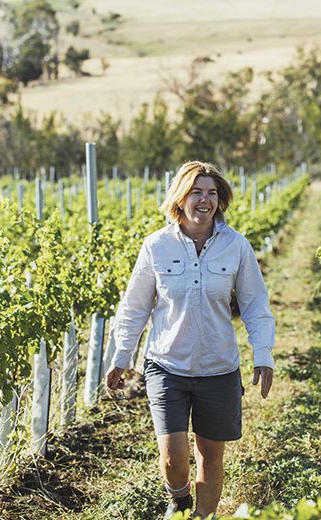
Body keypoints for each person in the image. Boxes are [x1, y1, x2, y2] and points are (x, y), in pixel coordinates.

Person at [105, 161, 276, 519]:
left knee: (211, 454)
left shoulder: (236, 246)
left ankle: (203, 517)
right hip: (167, 364)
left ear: (220, 199)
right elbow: (135, 306)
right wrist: (123, 356)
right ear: (180, 198)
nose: (205, 200)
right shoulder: (156, 246)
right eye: (196, 192)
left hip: (219, 366)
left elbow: (255, 303)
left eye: (212, 193)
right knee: (173, 454)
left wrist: (263, 353)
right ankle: (179, 498)